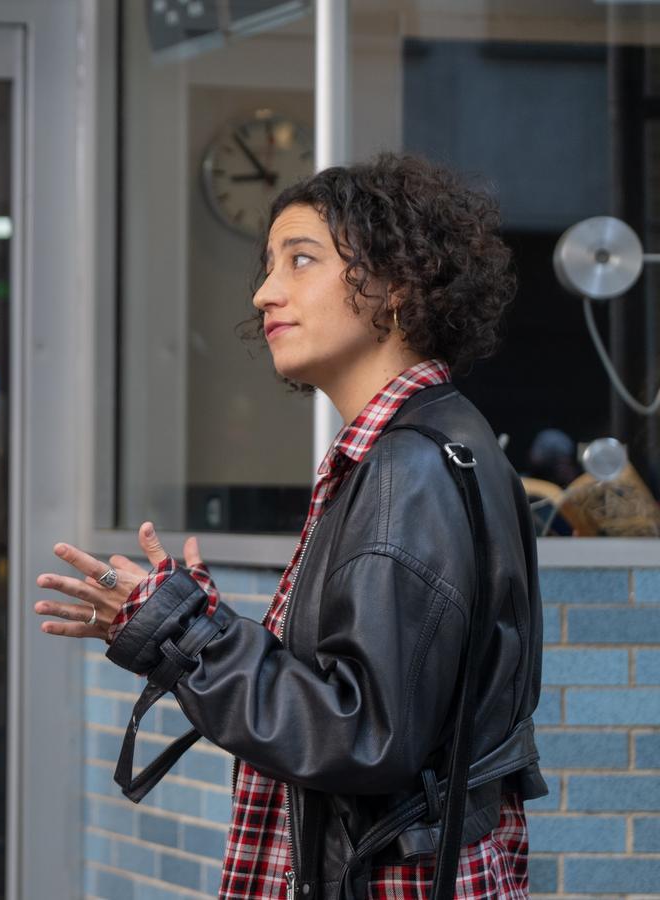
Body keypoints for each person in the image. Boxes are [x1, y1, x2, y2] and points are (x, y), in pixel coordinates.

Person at [36, 154, 543, 898]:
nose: (266, 293)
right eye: (268, 266)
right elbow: (360, 693)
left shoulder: (408, 466)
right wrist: (196, 620)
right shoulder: (425, 441)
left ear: (396, 283)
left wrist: (182, 635)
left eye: (300, 260)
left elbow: (363, 733)